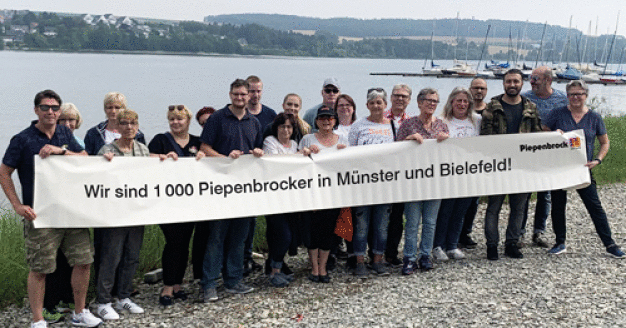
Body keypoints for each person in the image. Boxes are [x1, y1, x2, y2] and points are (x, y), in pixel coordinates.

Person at [0, 90, 102, 328]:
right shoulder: (22, 139)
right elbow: (4, 172)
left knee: (84, 261)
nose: (51, 112)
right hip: (41, 214)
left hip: (71, 212)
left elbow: (85, 157)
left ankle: (79, 312)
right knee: (40, 268)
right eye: (45, 107)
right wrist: (17, 204)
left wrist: (61, 151)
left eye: (55, 108)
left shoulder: (65, 132)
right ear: (36, 110)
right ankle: (38, 320)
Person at [96, 109, 174, 320]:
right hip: (115, 214)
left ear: (137, 126)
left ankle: (123, 297)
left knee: (131, 257)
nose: (128, 127)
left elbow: (151, 168)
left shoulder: (141, 149)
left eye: (132, 123)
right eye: (124, 123)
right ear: (118, 127)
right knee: (111, 257)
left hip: (136, 213)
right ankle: (103, 301)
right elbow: (95, 176)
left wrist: (167, 158)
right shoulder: (107, 149)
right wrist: (104, 162)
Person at [543, 80, 625, 258]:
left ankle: (610, 244)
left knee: (594, 206)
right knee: (558, 206)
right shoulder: (557, 114)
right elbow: (543, 133)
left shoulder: (594, 117)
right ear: (567, 96)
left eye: (579, 93)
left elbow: (605, 142)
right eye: (572, 94)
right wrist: (553, 135)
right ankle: (560, 242)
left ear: (586, 95)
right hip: (560, 168)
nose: (575, 97)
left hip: (583, 168)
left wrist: (598, 160)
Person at [200, 78, 264, 302]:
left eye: (243, 95)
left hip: (244, 189)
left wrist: (256, 153)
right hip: (220, 189)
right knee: (216, 237)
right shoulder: (217, 118)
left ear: (249, 97)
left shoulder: (253, 122)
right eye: (236, 94)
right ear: (230, 95)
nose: (240, 98)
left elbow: (257, 148)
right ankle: (209, 284)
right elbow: (205, 147)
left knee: (239, 238)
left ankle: (234, 280)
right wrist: (225, 160)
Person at [480, 69, 542, 261]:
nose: (512, 85)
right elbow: (485, 137)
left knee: (518, 208)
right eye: (509, 82)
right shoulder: (492, 106)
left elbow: (537, 135)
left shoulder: (531, 107)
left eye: (516, 81)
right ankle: (491, 245)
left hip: (522, 167)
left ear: (522, 83)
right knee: (493, 207)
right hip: (498, 167)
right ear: (503, 83)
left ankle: (511, 243)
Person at [148, 105, 205, 306]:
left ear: (188, 121)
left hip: (190, 204)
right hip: (167, 203)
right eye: (172, 119)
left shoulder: (198, 142)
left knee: (184, 243)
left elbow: (208, 164)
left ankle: (178, 283)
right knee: (174, 242)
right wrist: (161, 158)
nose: (176, 123)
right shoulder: (160, 140)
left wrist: (203, 159)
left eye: (179, 119)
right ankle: (167, 286)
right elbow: (146, 160)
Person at [396, 88, 449, 275]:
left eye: (435, 101)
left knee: (430, 222)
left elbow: (449, 154)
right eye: (428, 100)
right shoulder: (408, 125)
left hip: (435, 182)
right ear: (419, 103)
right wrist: (408, 140)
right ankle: (409, 257)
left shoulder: (442, 125)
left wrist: (446, 142)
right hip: (413, 182)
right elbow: (395, 151)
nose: (432, 104)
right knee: (412, 222)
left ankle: (425, 255)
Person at [520, 66, 569, 248]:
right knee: (524, 193)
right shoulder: (525, 97)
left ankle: (538, 232)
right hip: (528, 151)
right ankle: (520, 233)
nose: (531, 82)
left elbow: (567, 122)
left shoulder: (562, 99)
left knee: (545, 194)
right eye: (531, 78)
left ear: (548, 80)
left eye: (535, 79)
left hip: (551, 153)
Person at [348, 88, 395, 278]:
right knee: (361, 224)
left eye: (380, 102)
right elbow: (349, 153)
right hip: (362, 185)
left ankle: (377, 260)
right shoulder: (358, 126)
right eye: (372, 102)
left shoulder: (393, 126)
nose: (376, 106)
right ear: (367, 105)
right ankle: (359, 262)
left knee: (381, 225)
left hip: (385, 186)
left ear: (385, 105)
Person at [431, 87, 480, 262]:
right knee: (445, 211)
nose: (461, 104)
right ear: (451, 102)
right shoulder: (442, 120)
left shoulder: (477, 120)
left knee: (460, 212)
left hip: (469, 173)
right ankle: (438, 245)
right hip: (448, 174)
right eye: (458, 100)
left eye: (465, 101)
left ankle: (452, 245)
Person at [298, 106, 346, 283]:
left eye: (330, 118)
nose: (326, 121)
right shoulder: (307, 139)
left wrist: (345, 152)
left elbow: (351, 164)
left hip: (333, 194)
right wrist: (305, 152)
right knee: (312, 232)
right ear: (316, 121)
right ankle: (314, 268)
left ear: (335, 121)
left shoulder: (343, 139)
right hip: (310, 193)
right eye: (322, 118)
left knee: (328, 232)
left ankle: (323, 268)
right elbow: (297, 162)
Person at [263, 113, 310, 287]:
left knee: (290, 238)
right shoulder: (270, 141)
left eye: (289, 127)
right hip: (274, 199)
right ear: (276, 128)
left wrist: (301, 154)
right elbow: (276, 163)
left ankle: (278, 268)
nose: (286, 130)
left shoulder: (295, 145)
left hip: (291, 200)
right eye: (282, 126)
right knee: (282, 235)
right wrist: (298, 156)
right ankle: (274, 271)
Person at [243, 75, 277, 275]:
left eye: (258, 91)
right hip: (244, 174)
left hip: (266, 173)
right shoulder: (239, 113)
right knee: (247, 219)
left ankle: (273, 260)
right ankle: (245, 258)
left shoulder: (270, 114)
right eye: (251, 91)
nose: (254, 95)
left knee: (268, 219)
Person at [383, 84, 413, 267]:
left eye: (404, 96)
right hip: (380, 174)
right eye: (396, 96)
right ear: (390, 98)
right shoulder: (379, 118)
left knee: (396, 217)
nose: (400, 99)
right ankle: (374, 252)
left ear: (409, 100)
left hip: (401, 176)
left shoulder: (411, 121)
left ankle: (391, 253)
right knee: (377, 217)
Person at [459, 77, 489, 248]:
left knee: (473, 202)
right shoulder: (461, 110)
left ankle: (466, 233)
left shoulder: (490, 111)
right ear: (470, 89)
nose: (479, 91)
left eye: (482, 88)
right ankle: (454, 233)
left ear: (486, 91)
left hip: (480, 164)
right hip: (459, 164)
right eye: (476, 87)